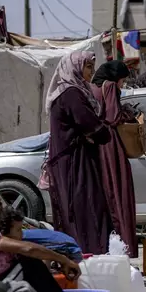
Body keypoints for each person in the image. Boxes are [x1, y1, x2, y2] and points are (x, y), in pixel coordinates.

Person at [45, 51, 112, 254]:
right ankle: (89, 254)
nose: (91, 72)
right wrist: (103, 131)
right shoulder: (71, 94)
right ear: (75, 67)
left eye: (92, 67)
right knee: (86, 208)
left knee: (79, 208)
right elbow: (93, 127)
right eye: (88, 67)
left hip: (74, 158)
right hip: (75, 162)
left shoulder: (74, 91)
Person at [90, 60, 139, 257]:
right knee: (118, 192)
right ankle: (123, 243)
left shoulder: (91, 87)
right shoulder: (109, 86)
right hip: (111, 145)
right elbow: (113, 117)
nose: (122, 84)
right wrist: (128, 113)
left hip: (97, 144)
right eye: (122, 80)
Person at [0, 206, 24, 284]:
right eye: (18, 230)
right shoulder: (2, 256)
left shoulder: (12, 251)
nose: (22, 233)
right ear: (6, 232)